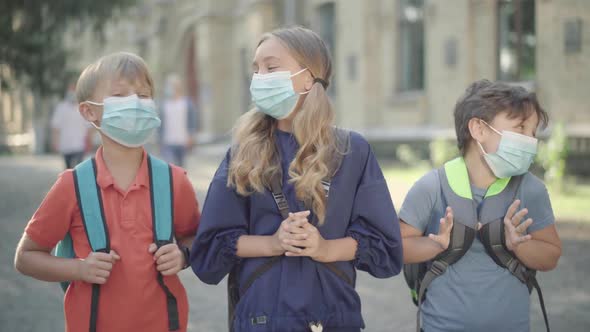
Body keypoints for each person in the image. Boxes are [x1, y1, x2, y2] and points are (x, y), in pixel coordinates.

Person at [190, 27, 403, 332]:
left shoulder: (352, 150)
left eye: (271, 67)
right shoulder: (242, 153)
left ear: (308, 77)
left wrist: (324, 249)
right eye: (256, 69)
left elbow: (384, 247)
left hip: (333, 317)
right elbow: (210, 249)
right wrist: (274, 242)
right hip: (261, 318)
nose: (260, 78)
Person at [14, 52, 201, 332]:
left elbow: (196, 238)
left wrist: (184, 255)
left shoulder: (175, 181)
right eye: (121, 95)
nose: (135, 104)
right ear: (89, 111)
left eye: (143, 94)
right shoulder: (71, 185)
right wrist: (78, 269)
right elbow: (26, 257)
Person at [399, 79, 562, 332]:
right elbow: (396, 248)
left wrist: (520, 246)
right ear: (478, 129)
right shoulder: (432, 187)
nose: (530, 141)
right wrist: (434, 245)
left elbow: (551, 256)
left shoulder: (530, 190)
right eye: (520, 128)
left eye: (533, 132)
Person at [160, 74, 197, 167]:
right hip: (168, 142)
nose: (169, 88)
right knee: (169, 167)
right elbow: (160, 124)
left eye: (171, 85)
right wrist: (159, 139)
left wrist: (191, 136)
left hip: (182, 142)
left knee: (181, 169)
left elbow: (192, 121)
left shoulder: (187, 104)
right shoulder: (164, 105)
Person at [50, 83, 90, 169]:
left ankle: (78, 182)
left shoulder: (83, 108)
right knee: (68, 170)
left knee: (79, 169)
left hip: (79, 145)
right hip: (65, 145)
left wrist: (88, 142)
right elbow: (55, 127)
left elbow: (88, 127)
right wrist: (55, 142)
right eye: (71, 91)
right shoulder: (61, 108)